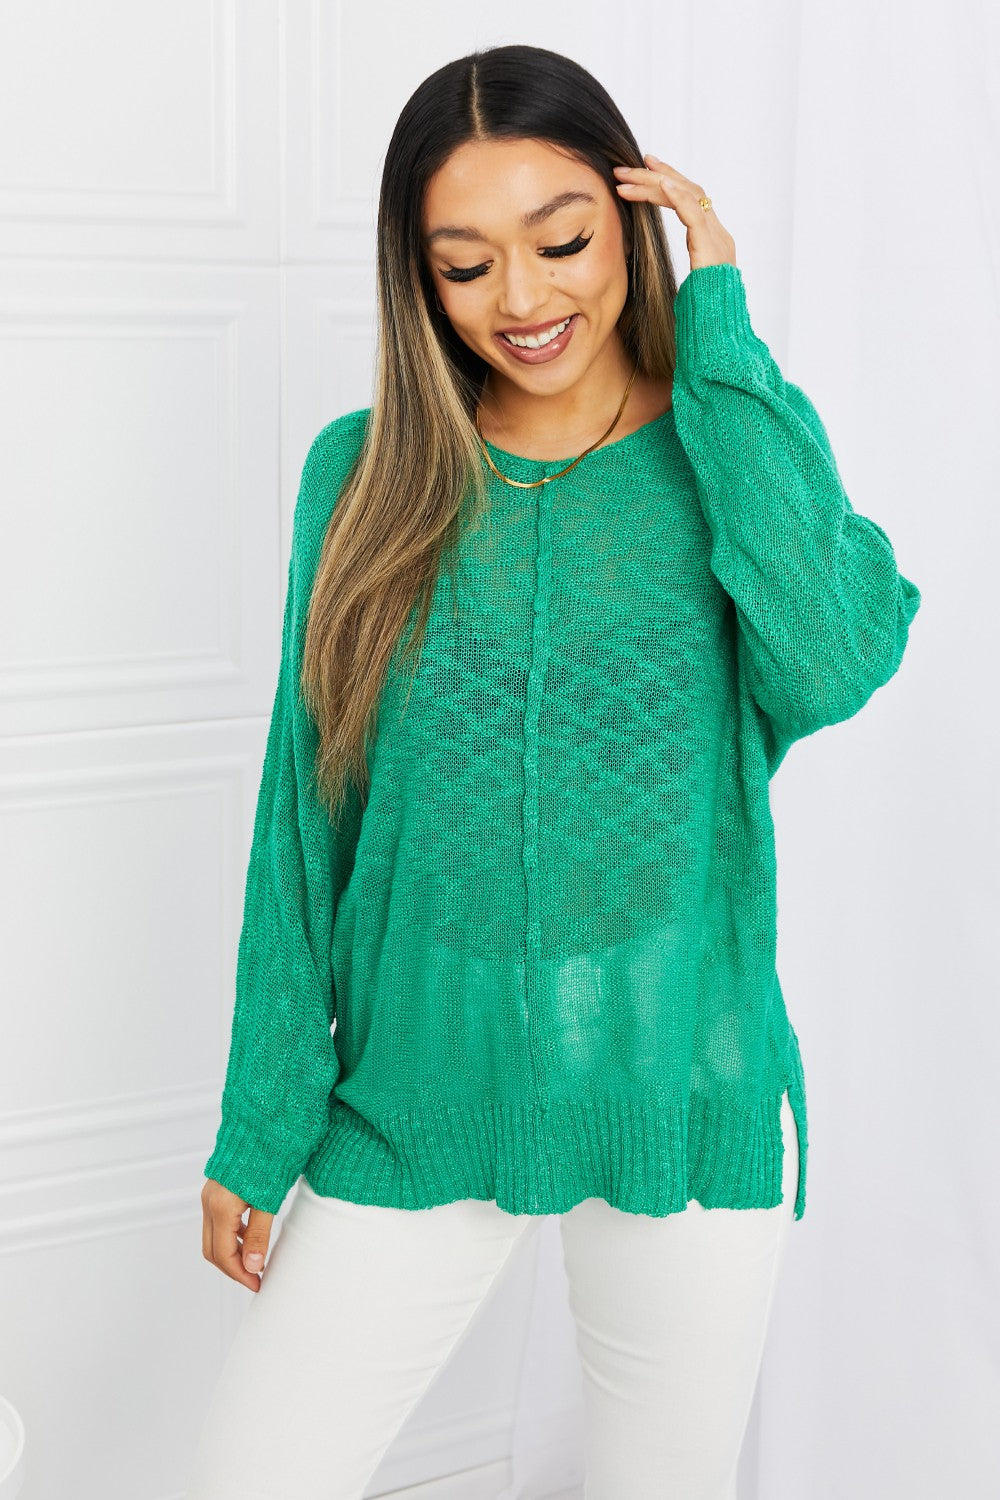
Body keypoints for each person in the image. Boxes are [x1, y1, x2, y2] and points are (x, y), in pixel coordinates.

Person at [187, 42, 921, 1500]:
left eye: (562, 241)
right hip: (416, 1091)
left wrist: (719, 332)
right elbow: (303, 817)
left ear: (634, 224)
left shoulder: (724, 453)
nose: (520, 299)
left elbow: (837, 654)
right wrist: (262, 1121)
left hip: (681, 1084)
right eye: (464, 266)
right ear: (418, 280)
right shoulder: (362, 476)